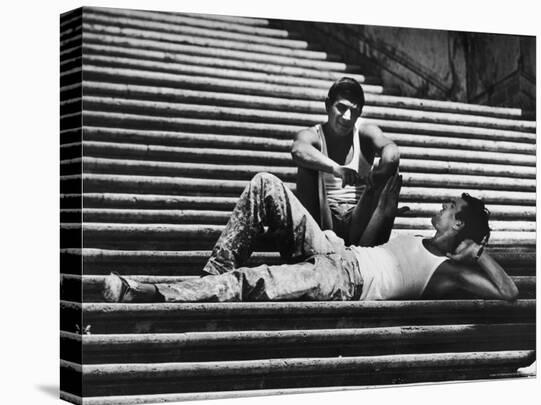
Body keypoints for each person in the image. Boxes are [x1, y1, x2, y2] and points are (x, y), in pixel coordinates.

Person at [102, 172, 519, 303]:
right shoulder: (416, 236)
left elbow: (509, 293)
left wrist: (478, 254)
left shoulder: (446, 271)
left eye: (450, 207)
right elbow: (367, 244)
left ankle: (155, 294)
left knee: (255, 278)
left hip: (345, 283)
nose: (443, 206)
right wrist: (377, 199)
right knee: (267, 185)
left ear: (460, 226)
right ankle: (206, 282)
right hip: (338, 252)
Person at [291, 77, 402, 246]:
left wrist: (381, 173)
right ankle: (312, 247)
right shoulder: (313, 134)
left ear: (360, 113)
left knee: (390, 169)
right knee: (307, 167)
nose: (347, 117)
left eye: (354, 111)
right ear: (328, 105)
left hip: (359, 220)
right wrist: (337, 169)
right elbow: (298, 150)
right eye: (341, 108)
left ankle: (368, 252)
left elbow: (392, 150)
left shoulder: (365, 132)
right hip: (323, 220)